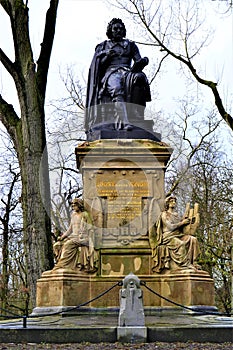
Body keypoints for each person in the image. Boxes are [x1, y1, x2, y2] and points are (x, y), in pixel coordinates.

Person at [85, 18, 151, 132]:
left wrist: (143, 62)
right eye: (115, 28)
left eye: (121, 28)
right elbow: (97, 66)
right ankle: (125, 122)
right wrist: (107, 56)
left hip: (127, 72)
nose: (118, 31)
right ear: (110, 30)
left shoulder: (131, 45)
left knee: (140, 78)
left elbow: (137, 61)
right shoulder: (104, 46)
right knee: (116, 88)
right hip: (111, 72)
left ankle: (137, 116)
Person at [149, 196, 201, 273]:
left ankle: (194, 262)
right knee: (181, 244)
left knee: (193, 239)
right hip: (168, 237)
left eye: (174, 201)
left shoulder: (176, 215)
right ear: (167, 203)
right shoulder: (164, 214)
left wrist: (189, 221)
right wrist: (182, 223)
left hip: (178, 235)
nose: (173, 203)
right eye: (171, 201)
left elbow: (182, 226)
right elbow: (170, 226)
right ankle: (184, 265)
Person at [53, 198, 98, 273]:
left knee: (68, 244)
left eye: (75, 205)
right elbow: (70, 229)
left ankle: (62, 265)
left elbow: (91, 228)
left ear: (79, 205)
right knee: (57, 245)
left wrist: (90, 239)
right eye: (72, 205)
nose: (73, 207)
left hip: (83, 238)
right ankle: (63, 264)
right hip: (73, 237)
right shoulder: (73, 215)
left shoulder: (85, 214)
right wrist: (62, 237)